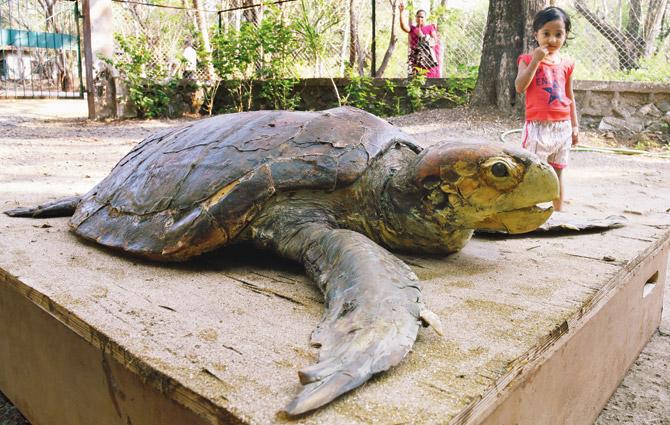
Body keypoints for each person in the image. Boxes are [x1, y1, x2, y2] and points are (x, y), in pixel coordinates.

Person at [515, 6, 579, 212]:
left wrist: (575, 127)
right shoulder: (526, 59)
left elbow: (570, 96)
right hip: (537, 127)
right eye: (546, 34)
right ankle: (527, 211)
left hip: (563, 126)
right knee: (532, 170)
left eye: (558, 34)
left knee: (558, 172)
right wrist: (536, 60)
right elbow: (519, 87)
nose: (552, 40)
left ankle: (558, 213)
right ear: (536, 34)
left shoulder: (567, 63)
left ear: (566, 35)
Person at [399, 3, 441, 78]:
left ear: (425, 18)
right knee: (417, 78)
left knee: (431, 78)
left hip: (428, 59)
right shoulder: (413, 29)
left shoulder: (430, 27)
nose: (420, 19)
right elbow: (403, 27)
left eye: (422, 17)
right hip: (416, 58)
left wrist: (424, 39)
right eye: (418, 17)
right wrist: (401, 12)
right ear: (416, 18)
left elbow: (435, 40)